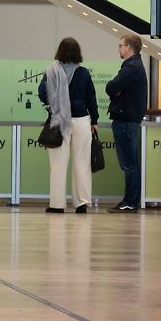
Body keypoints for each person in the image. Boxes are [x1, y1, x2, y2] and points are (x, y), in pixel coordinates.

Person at [39, 37, 97, 214]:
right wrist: (94, 121)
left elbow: (42, 93)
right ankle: (82, 204)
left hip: (59, 121)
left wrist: (55, 104)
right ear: (77, 53)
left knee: (57, 165)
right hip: (81, 120)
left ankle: (57, 205)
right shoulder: (84, 73)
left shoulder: (51, 71)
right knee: (82, 164)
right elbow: (91, 99)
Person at [105, 34, 146, 212]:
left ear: (129, 47)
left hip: (126, 121)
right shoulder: (134, 66)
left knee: (129, 164)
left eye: (121, 45)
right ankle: (131, 200)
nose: (119, 48)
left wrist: (116, 90)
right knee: (130, 164)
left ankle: (130, 201)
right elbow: (115, 89)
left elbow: (111, 87)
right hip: (127, 119)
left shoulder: (132, 67)